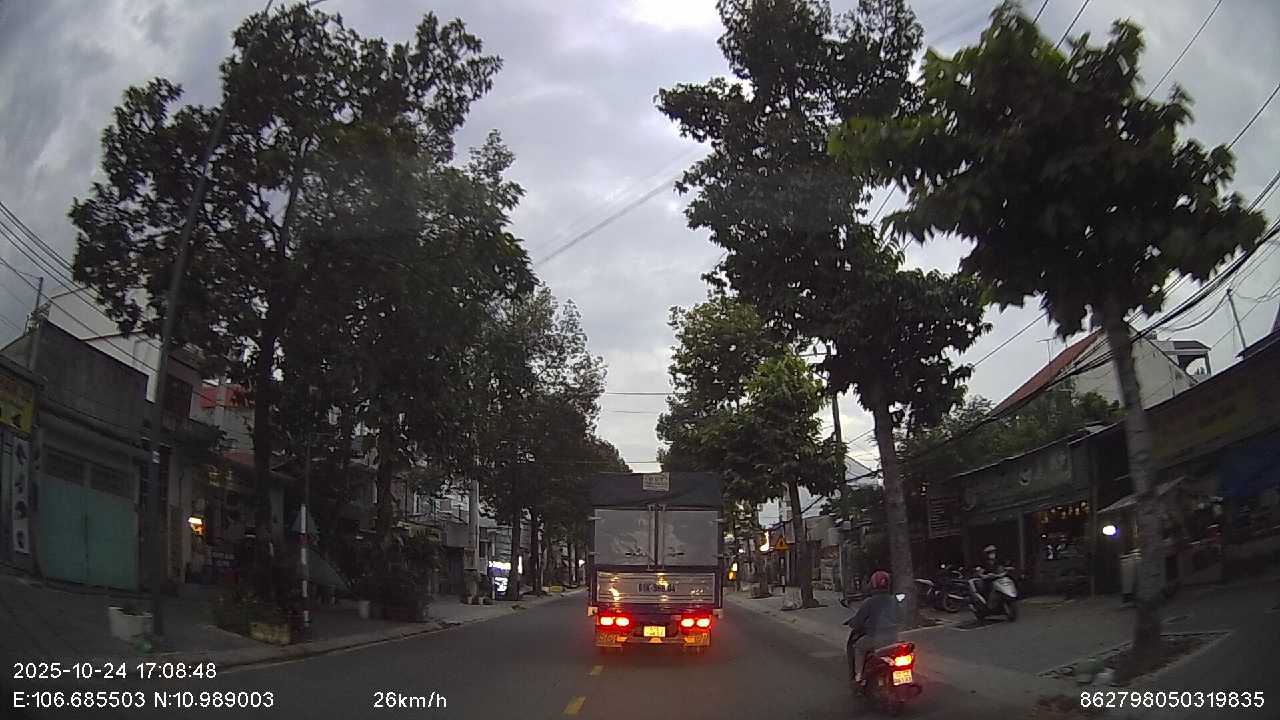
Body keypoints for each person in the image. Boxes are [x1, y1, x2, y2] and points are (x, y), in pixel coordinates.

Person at [845, 570, 900, 685]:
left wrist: (853, 623)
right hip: (893, 638)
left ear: (873, 584)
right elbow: (901, 617)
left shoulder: (869, 602)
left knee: (858, 647)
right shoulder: (894, 600)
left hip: (875, 638)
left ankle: (859, 675)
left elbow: (858, 621)